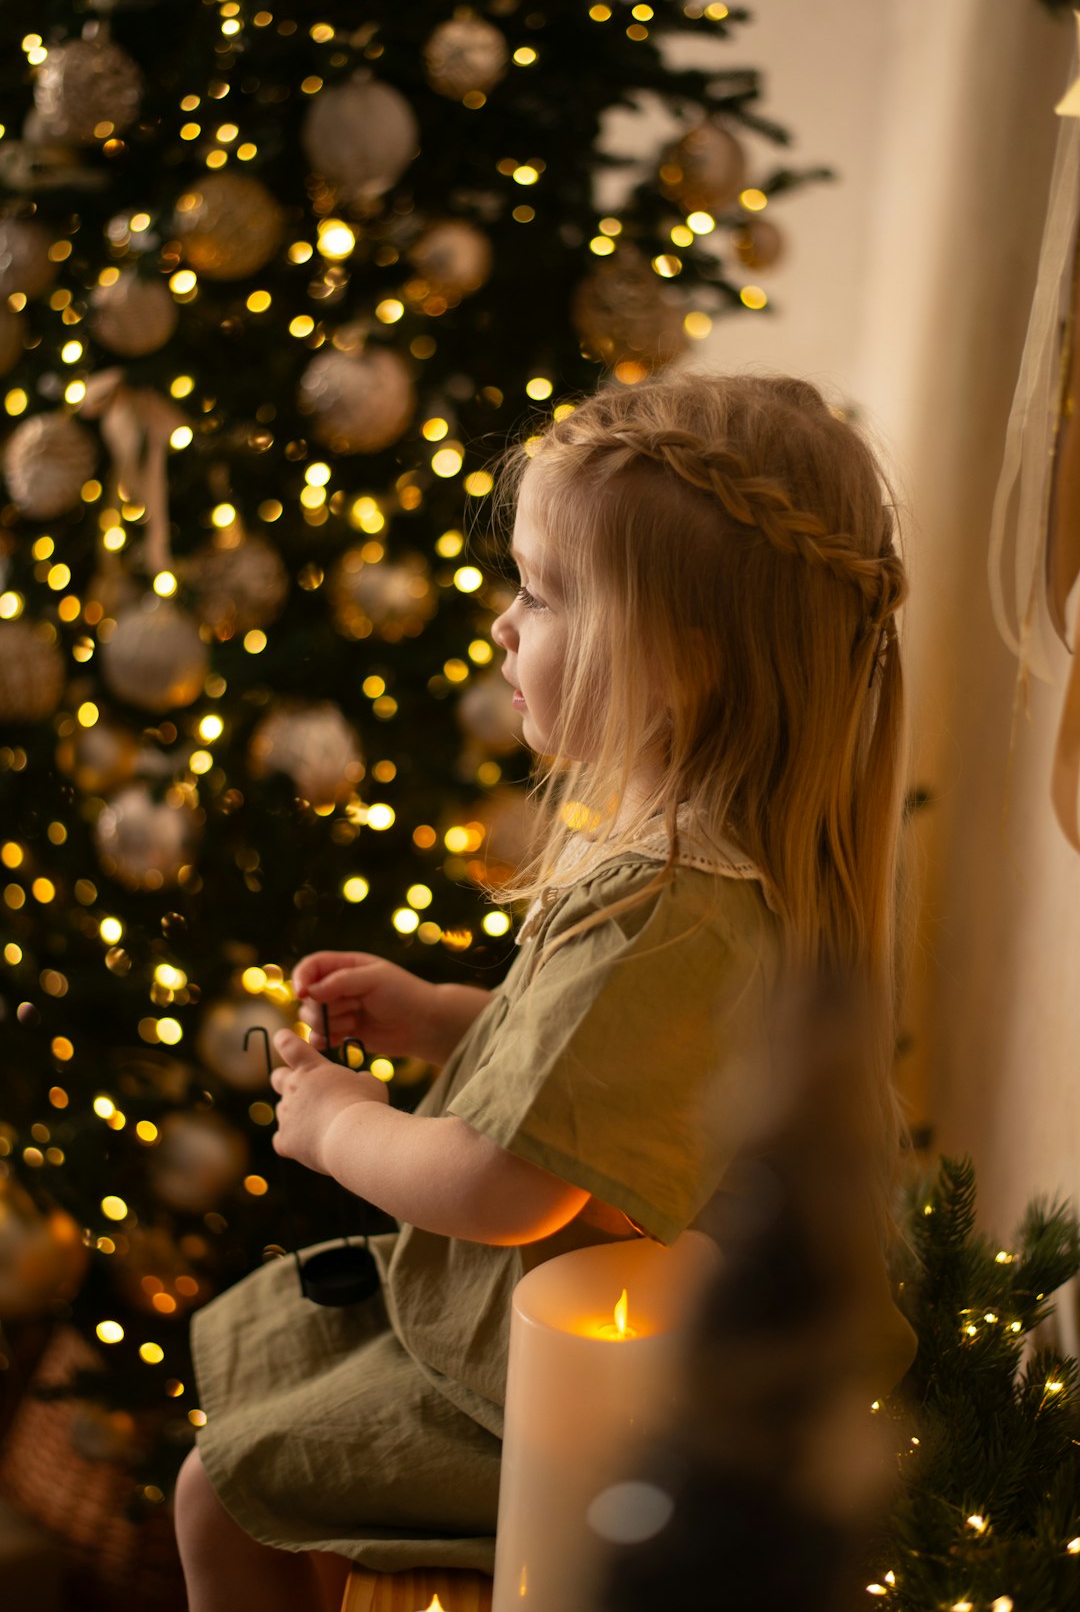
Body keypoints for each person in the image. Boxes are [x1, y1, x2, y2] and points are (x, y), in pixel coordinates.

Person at [174, 371, 916, 1612]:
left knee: (217, 1491)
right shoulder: (696, 863)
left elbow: (507, 1188)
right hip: (579, 1339)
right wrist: (439, 1012)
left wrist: (342, 1124)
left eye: (543, 592)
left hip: (589, 1404)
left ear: (684, 658)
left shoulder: (663, 903)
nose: (504, 623)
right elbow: (606, 1073)